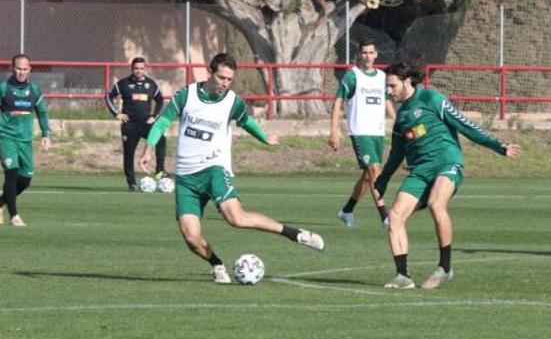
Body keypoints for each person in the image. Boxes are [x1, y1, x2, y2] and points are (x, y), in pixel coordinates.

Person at [138, 53, 325, 284]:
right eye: (221, 77)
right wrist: (148, 149)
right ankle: (216, 264)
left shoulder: (232, 101)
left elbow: (245, 121)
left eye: (229, 79)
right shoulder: (186, 95)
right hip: (186, 177)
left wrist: (264, 138)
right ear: (210, 72)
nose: (224, 83)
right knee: (191, 238)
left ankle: (296, 235)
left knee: (235, 217)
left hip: (214, 169)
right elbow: (163, 121)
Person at [373, 62, 521, 289]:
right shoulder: (402, 116)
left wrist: (498, 146)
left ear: (407, 81)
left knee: (435, 203)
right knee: (395, 217)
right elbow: (396, 153)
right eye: (387, 87)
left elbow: (465, 125)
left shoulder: (432, 98)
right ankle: (403, 277)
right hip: (420, 171)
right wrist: (381, 181)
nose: (388, 91)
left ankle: (445, 267)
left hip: (446, 163)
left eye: (392, 86)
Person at [0, 54, 52, 227]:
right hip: (7, 138)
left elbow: (42, 113)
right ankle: (14, 216)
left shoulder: (34, 90)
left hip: (25, 140)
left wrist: (46, 134)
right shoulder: (3, 88)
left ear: (30, 70)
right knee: (11, 174)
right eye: (18, 68)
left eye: (25, 69)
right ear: (11, 68)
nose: (21, 72)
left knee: (25, 179)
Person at [329, 40, 395, 230]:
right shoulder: (352, 76)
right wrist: (334, 130)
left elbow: (386, 101)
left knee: (369, 176)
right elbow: (338, 102)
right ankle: (385, 217)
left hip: (377, 132)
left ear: (376, 55)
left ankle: (347, 210)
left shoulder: (382, 76)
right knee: (375, 171)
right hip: (360, 131)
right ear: (359, 54)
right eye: (364, 52)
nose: (367, 56)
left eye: (370, 52)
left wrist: (398, 121)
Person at [105, 57, 167, 191]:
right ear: (132, 69)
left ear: (145, 69)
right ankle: (131, 183)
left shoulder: (151, 84)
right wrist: (116, 113)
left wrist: (154, 116)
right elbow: (108, 95)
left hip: (146, 124)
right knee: (129, 154)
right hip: (130, 125)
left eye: (141, 68)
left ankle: (160, 171)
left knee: (161, 140)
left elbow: (160, 100)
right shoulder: (123, 83)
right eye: (136, 68)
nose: (139, 71)